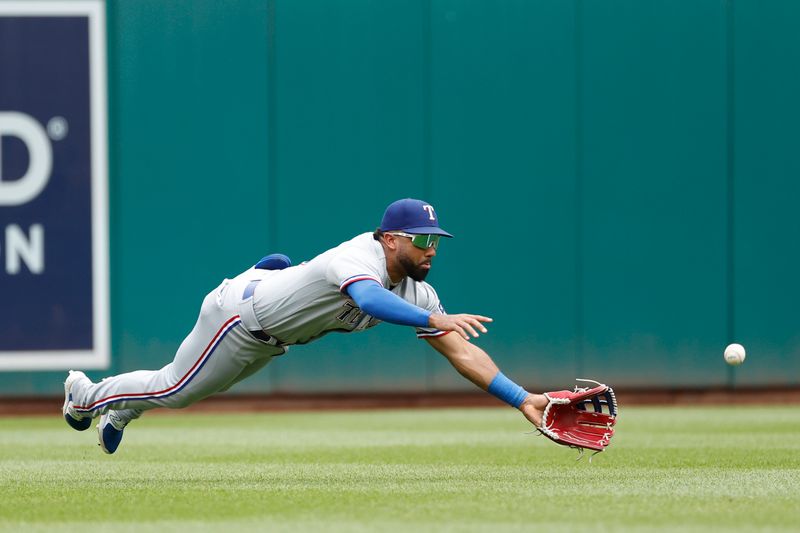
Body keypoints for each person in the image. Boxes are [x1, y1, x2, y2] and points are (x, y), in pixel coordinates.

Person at [62, 198, 549, 454]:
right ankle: (84, 395)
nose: (432, 248)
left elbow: (461, 352)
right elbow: (367, 297)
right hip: (237, 316)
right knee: (176, 388)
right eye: (422, 238)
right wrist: (432, 318)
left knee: (188, 389)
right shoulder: (358, 256)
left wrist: (521, 397)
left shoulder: (420, 294)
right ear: (390, 238)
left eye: (437, 239)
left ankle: (123, 410)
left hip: (271, 337)